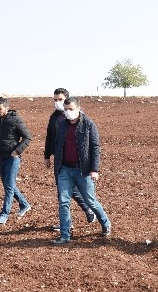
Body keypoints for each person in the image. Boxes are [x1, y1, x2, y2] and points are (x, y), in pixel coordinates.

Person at [50, 97, 111, 245]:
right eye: (65, 110)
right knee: (64, 201)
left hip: (82, 170)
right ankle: (65, 235)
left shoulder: (89, 125)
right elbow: (57, 145)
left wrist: (94, 169)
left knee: (90, 201)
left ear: (78, 108)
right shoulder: (62, 125)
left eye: (70, 109)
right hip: (64, 169)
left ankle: (105, 223)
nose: (68, 112)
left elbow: (95, 147)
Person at [44, 87, 95, 234]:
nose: (57, 103)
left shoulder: (77, 117)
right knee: (64, 192)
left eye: (60, 99)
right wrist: (47, 156)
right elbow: (50, 137)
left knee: (68, 190)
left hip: (75, 161)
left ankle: (87, 210)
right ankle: (69, 222)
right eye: (55, 100)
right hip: (59, 160)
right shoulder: (54, 117)